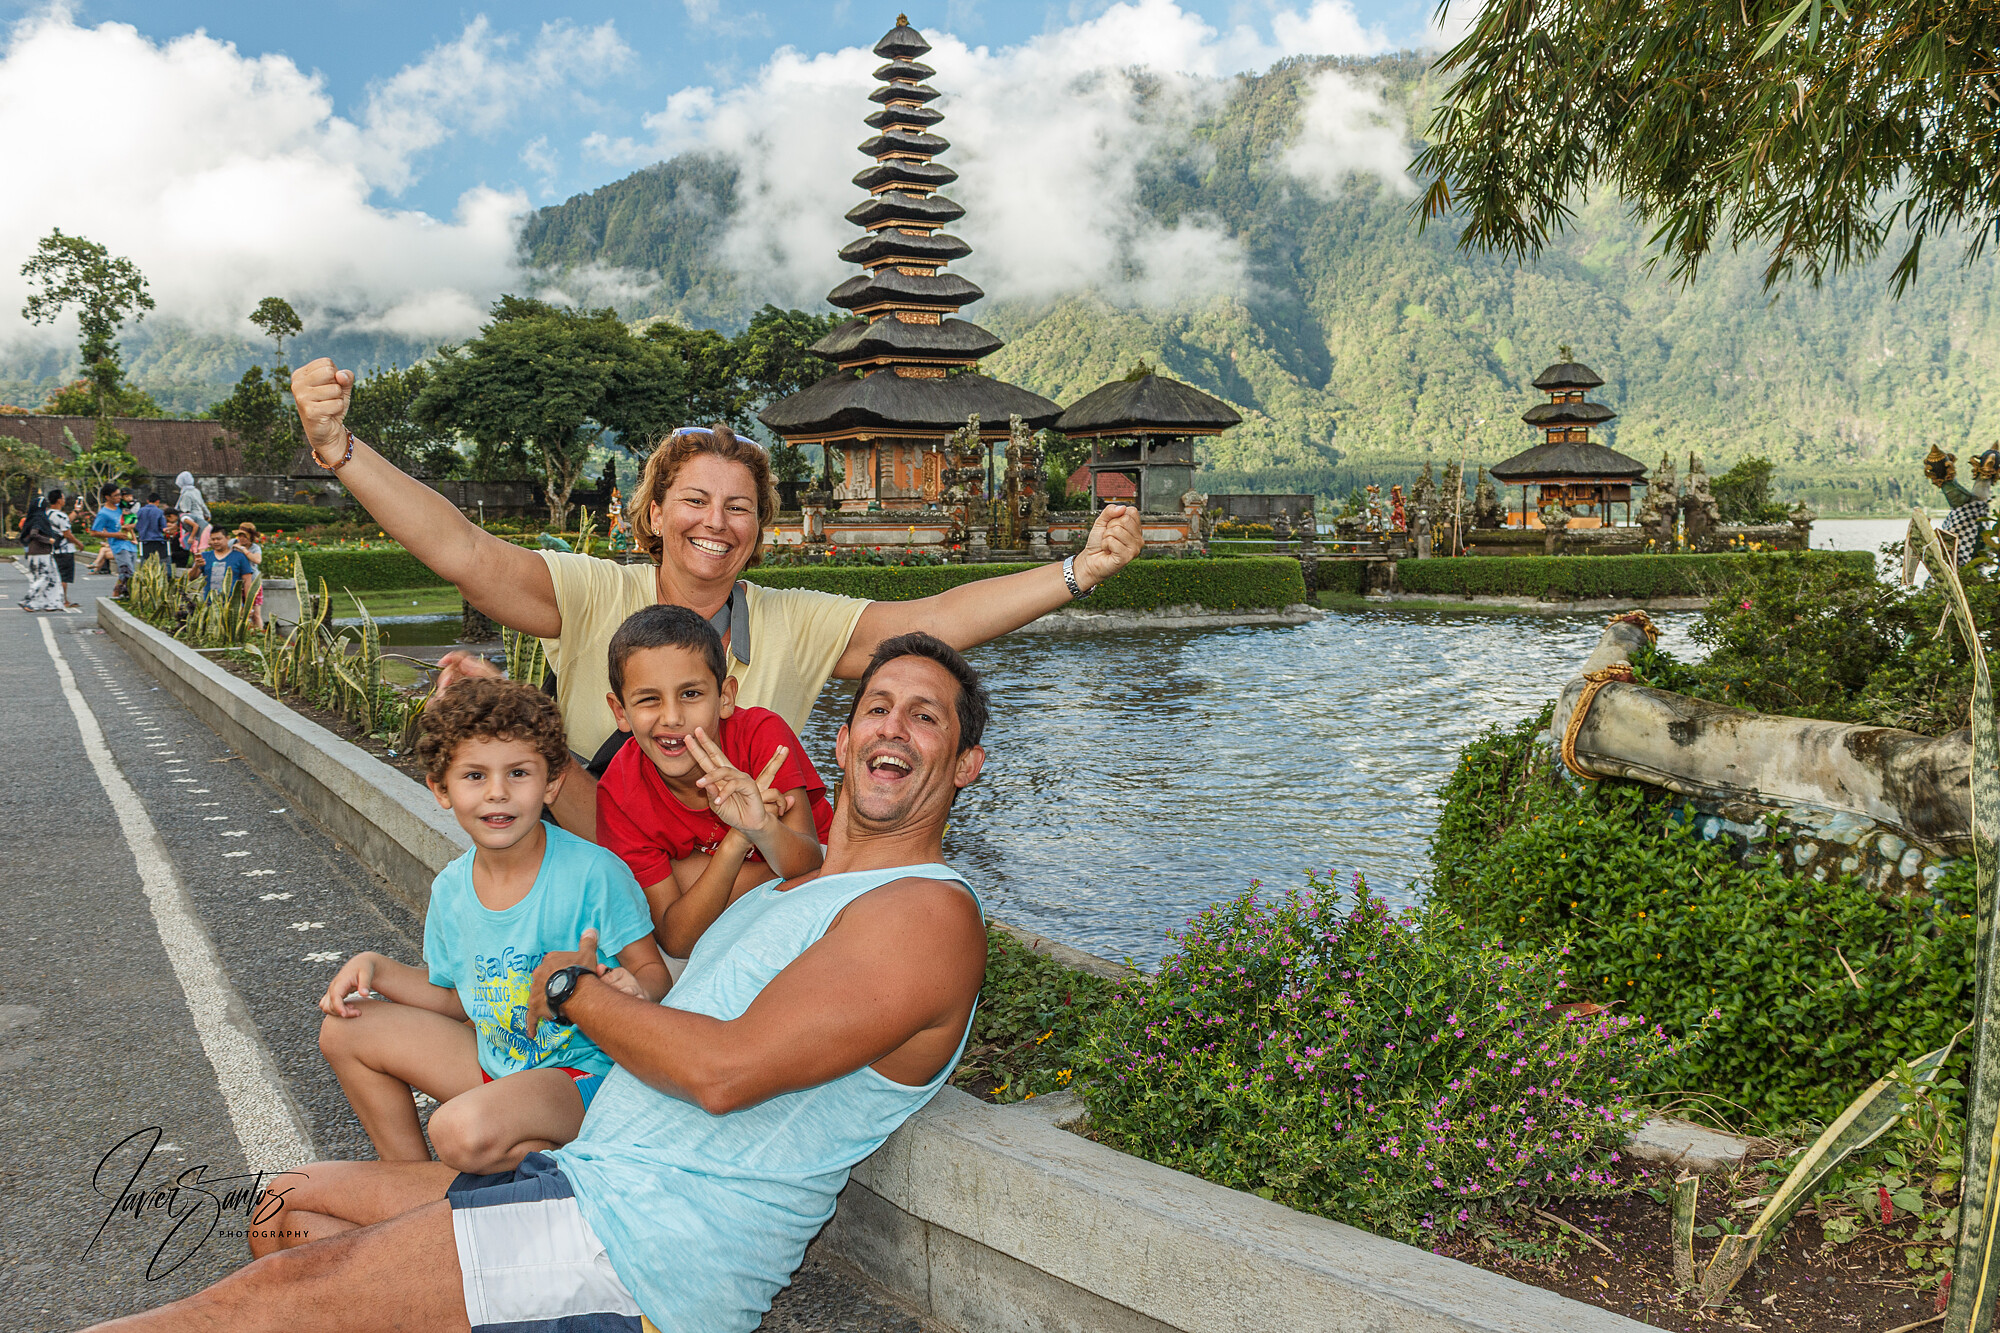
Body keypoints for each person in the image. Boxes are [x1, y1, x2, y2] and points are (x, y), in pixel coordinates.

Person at [92, 633, 990, 1333]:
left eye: (926, 717)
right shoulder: (797, 885)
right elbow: (635, 851)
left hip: (642, 1249)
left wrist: (573, 990)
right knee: (288, 1209)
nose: (893, 727)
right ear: (842, 737)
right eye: (878, 706)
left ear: (964, 763)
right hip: (586, 1175)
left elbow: (725, 1072)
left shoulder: (925, 912)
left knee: (283, 1295)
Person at [290, 356, 1144, 839]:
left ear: (760, 527)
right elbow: (463, 548)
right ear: (654, 511)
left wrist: (1078, 572)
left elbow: (931, 625)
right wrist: (340, 449)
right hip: (594, 874)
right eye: (694, 501)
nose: (716, 522)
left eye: (740, 507)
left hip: (724, 896)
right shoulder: (596, 593)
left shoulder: (789, 619)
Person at [317, 679, 668, 1174]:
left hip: (582, 1078)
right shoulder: (451, 890)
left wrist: (632, 988)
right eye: (475, 775)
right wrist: (374, 966)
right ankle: (409, 1187)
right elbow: (460, 999)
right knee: (344, 1029)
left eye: (519, 773)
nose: (498, 793)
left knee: (459, 1131)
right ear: (441, 789)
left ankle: (588, 1167)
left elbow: (654, 972)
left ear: (551, 784)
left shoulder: (594, 873)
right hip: (497, 1064)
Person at [594, 605, 833, 961]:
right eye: (648, 700)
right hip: (753, 894)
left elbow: (810, 862)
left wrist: (758, 830)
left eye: (690, 694)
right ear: (620, 712)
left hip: (819, 885)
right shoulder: (619, 795)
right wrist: (741, 838)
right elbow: (676, 940)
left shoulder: (762, 737)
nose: (672, 718)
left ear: (725, 697)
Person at [17, 490, 63, 611]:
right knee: (43, 577)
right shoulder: (39, 518)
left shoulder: (32, 518)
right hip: (41, 553)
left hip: (37, 552)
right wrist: (49, 540)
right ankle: (28, 601)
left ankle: (52, 603)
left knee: (53, 577)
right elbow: (34, 534)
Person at [187, 527, 258, 605]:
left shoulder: (239, 557)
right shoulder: (205, 556)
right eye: (213, 539)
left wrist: (249, 605)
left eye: (219, 539)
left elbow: (247, 581)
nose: (216, 542)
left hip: (232, 605)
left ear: (227, 538)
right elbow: (191, 578)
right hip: (209, 605)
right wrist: (196, 566)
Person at [90, 484, 137, 597]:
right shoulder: (103, 513)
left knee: (126, 574)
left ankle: (115, 594)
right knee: (127, 573)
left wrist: (131, 526)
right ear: (107, 497)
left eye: (119, 495)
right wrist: (115, 535)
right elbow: (94, 532)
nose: (119, 497)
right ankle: (124, 595)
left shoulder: (121, 508)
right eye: (115, 495)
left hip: (131, 544)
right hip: (119, 546)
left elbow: (132, 521)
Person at [47, 490, 79, 609]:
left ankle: (55, 599)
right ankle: (64, 600)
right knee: (64, 577)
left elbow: (64, 523)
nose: (64, 500)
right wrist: (79, 543)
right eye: (63, 498)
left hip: (53, 549)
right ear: (59, 500)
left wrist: (76, 511)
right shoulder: (61, 515)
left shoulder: (48, 514)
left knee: (55, 575)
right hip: (65, 550)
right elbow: (67, 533)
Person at [233, 522, 267, 628]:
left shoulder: (254, 548)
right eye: (240, 536)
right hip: (238, 584)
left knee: (255, 614)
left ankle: (259, 637)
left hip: (253, 584)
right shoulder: (233, 544)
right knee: (239, 614)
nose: (241, 539)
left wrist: (244, 550)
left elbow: (257, 560)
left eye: (245, 536)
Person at [134, 491, 170, 567]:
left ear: (147, 500)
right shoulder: (159, 512)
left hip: (144, 540)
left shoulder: (140, 511)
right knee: (160, 561)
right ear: (158, 501)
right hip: (157, 540)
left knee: (145, 560)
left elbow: (136, 525)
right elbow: (163, 527)